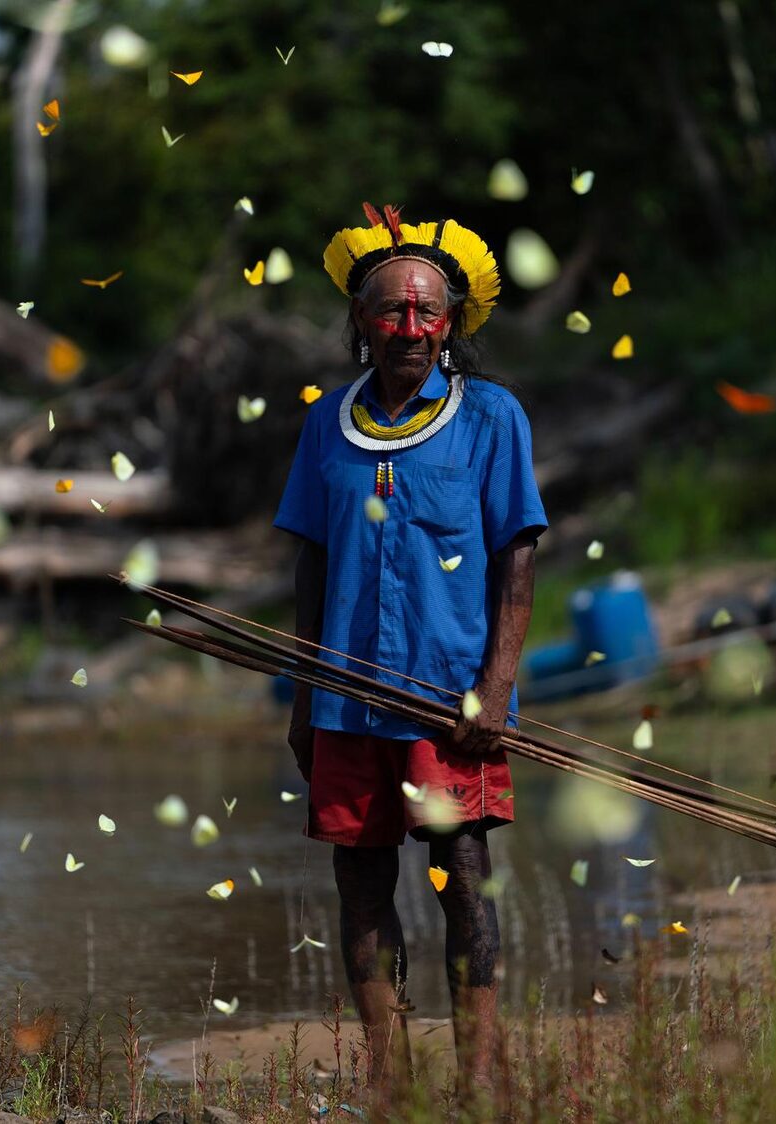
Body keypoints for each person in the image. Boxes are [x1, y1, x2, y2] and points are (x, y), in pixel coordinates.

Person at [273, 204, 546, 1099]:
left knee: (462, 878)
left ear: (453, 322)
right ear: (361, 319)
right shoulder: (328, 424)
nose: (411, 327)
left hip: (450, 703)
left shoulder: (491, 418)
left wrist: (495, 691)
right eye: (392, 310)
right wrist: (305, 702)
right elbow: (311, 568)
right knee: (359, 884)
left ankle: (479, 1083)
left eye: (429, 311)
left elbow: (516, 556)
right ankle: (390, 1086)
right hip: (344, 702)